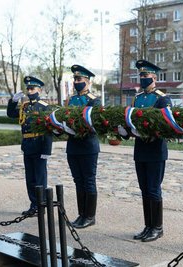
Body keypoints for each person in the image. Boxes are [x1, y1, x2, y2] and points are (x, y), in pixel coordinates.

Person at [131, 59, 172, 242]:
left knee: (154, 189)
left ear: (154, 77)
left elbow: (166, 125)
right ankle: (148, 226)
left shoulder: (162, 98)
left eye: (146, 75)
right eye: (141, 75)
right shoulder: (138, 98)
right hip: (140, 149)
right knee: (144, 189)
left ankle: (157, 227)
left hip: (155, 150)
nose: (143, 78)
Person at [7, 76, 53, 216]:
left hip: (39, 145)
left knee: (40, 178)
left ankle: (41, 205)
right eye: (28, 88)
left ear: (39, 89)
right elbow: (11, 114)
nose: (30, 91)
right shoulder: (25, 106)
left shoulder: (44, 107)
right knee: (30, 178)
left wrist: (47, 150)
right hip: (27, 146)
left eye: (32, 88)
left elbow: (48, 129)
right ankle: (33, 205)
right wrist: (13, 101)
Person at [65, 65, 101, 229]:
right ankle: (81, 214)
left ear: (88, 81)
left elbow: (95, 122)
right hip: (73, 145)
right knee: (78, 181)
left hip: (88, 146)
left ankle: (90, 216)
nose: (76, 82)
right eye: (75, 79)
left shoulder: (94, 99)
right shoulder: (71, 100)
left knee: (88, 180)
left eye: (79, 79)